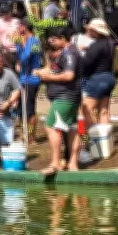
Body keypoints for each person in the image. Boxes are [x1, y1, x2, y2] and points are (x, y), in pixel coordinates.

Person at [32, 27, 81, 174]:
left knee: (51, 127)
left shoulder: (70, 53)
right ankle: (72, 164)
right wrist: (42, 71)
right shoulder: (65, 53)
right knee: (72, 129)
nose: (50, 42)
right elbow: (57, 70)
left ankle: (55, 164)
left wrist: (49, 78)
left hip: (65, 97)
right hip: (68, 97)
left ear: (62, 38)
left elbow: (69, 75)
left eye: (53, 39)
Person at [79, 18, 116, 128]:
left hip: (97, 79)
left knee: (86, 109)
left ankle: (95, 138)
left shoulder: (95, 45)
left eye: (90, 30)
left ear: (96, 31)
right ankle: (105, 141)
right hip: (109, 78)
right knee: (103, 111)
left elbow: (86, 64)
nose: (88, 32)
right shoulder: (109, 43)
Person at [15, 21, 42, 142]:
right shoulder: (22, 41)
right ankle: (24, 133)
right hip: (22, 78)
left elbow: (25, 57)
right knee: (21, 108)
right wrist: (18, 44)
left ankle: (31, 136)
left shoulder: (34, 41)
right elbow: (18, 57)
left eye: (19, 26)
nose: (17, 29)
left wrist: (20, 44)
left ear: (24, 27)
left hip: (32, 79)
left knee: (29, 108)